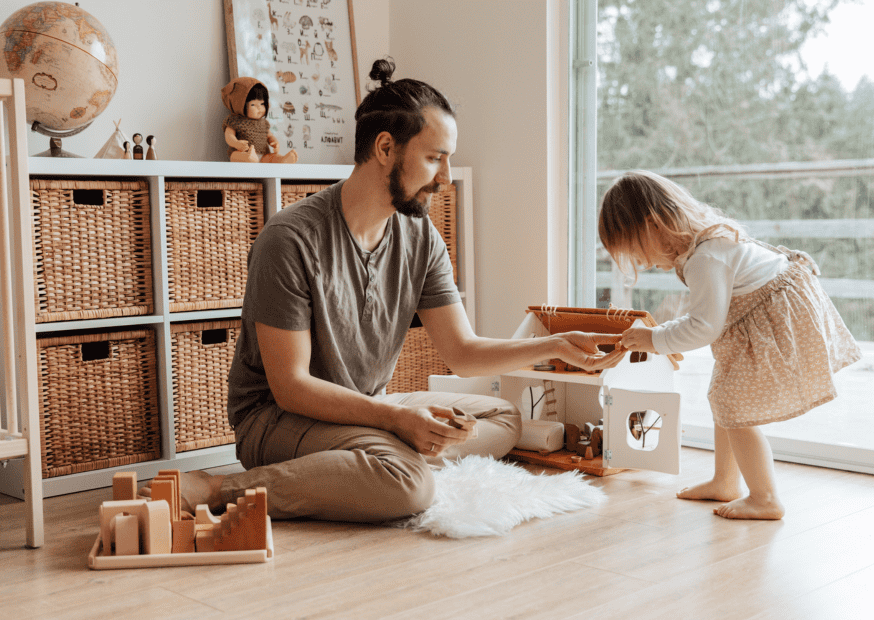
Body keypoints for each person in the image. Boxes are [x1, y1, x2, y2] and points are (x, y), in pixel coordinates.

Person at [145, 58, 625, 523]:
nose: (446, 178)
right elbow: (291, 388)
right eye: (435, 158)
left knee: (501, 419)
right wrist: (394, 422)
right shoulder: (289, 239)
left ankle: (376, 458)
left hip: (367, 407)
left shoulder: (420, 237)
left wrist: (556, 345)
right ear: (385, 148)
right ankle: (219, 489)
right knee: (410, 486)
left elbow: (461, 352)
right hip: (278, 419)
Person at [599, 170, 862, 520]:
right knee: (724, 397)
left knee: (734, 408)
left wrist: (654, 338)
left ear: (654, 224)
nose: (641, 262)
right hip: (763, 316)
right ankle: (725, 481)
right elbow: (708, 318)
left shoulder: (705, 258)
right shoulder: (705, 244)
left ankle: (765, 497)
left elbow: (704, 326)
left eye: (636, 249)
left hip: (775, 323)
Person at [221, 76, 299, 164]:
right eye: (253, 105)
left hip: (264, 155)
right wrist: (236, 143)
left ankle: (282, 160)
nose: (259, 108)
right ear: (239, 105)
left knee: (272, 157)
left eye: (262, 104)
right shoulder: (235, 120)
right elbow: (229, 136)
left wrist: (274, 142)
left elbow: (269, 136)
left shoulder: (264, 123)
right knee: (235, 156)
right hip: (243, 152)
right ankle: (249, 158)